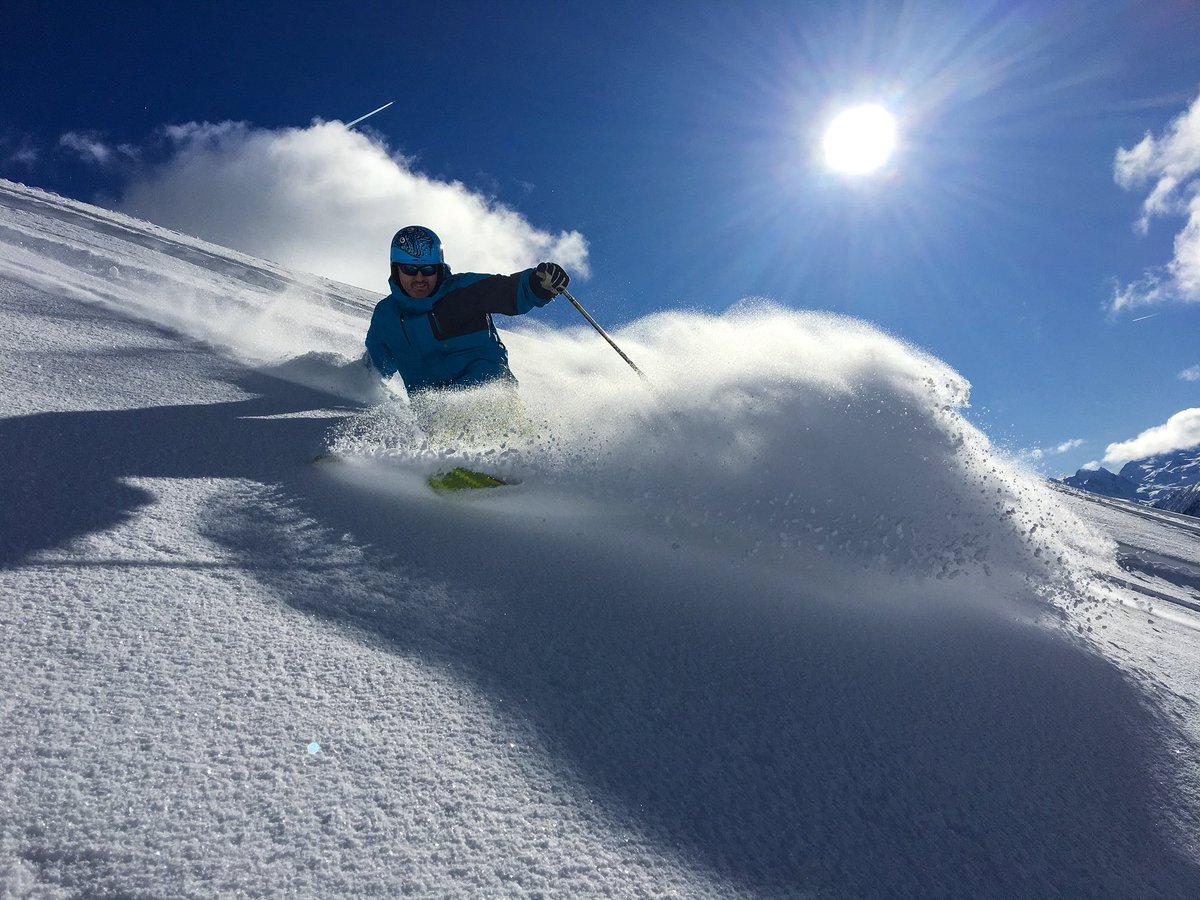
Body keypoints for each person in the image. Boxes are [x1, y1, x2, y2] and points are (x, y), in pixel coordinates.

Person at [365, 225, 569, 393]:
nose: (419, 278)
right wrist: (349, 386)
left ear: (439, 268)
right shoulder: (386, 317)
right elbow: (373, 372)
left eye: (428, 269)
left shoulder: (463, 290)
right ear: (396, 268)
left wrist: (537, 284)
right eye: (410, 269)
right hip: (433, 420)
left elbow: (509, 290)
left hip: (490, 395)